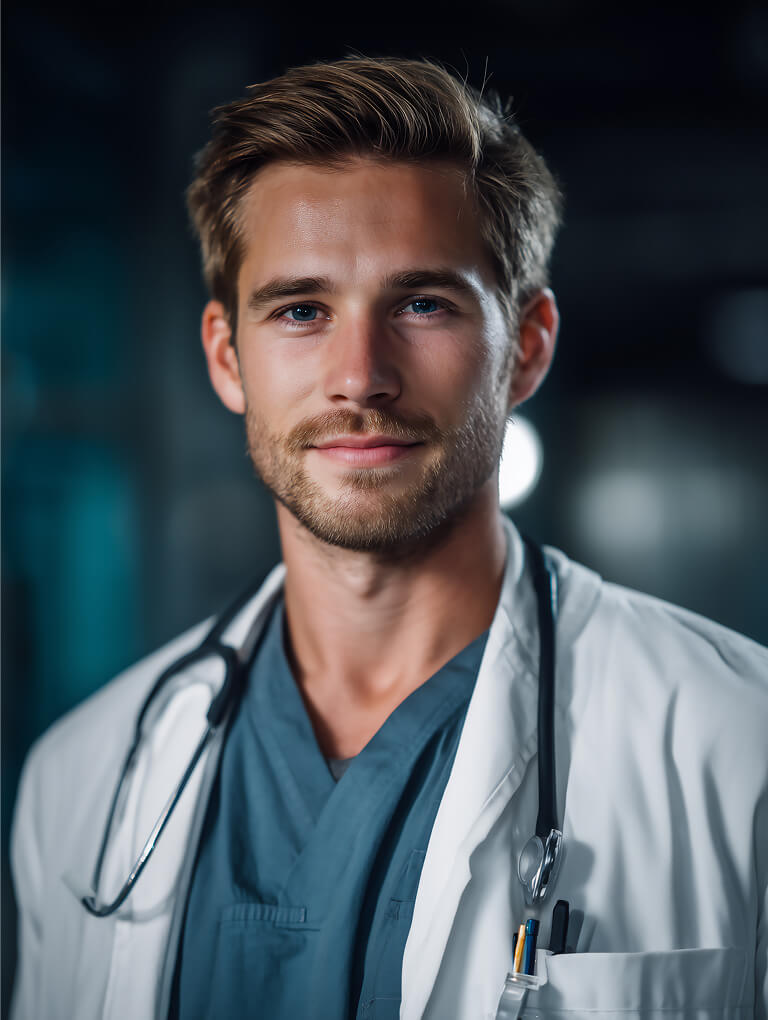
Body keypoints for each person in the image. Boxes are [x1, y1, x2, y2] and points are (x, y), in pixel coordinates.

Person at [9, 56, 767, 1020]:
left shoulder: (741, 748)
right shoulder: (82, 781)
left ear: (526, 346)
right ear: (226, 357)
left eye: (422, 304)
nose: (359, 376)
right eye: (300, 310)